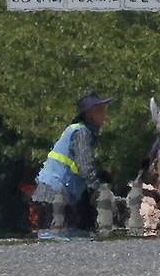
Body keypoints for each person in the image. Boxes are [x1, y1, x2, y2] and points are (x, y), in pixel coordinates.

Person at [32, 91, 114, 240]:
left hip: (51, 192)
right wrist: (100, 190)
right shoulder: (82, 133)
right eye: (101, 111)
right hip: (55, 194)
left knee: (56, 239)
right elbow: (85, 168)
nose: (104, 115)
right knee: (61, 240)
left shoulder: (79, 130)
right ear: (90, 114)